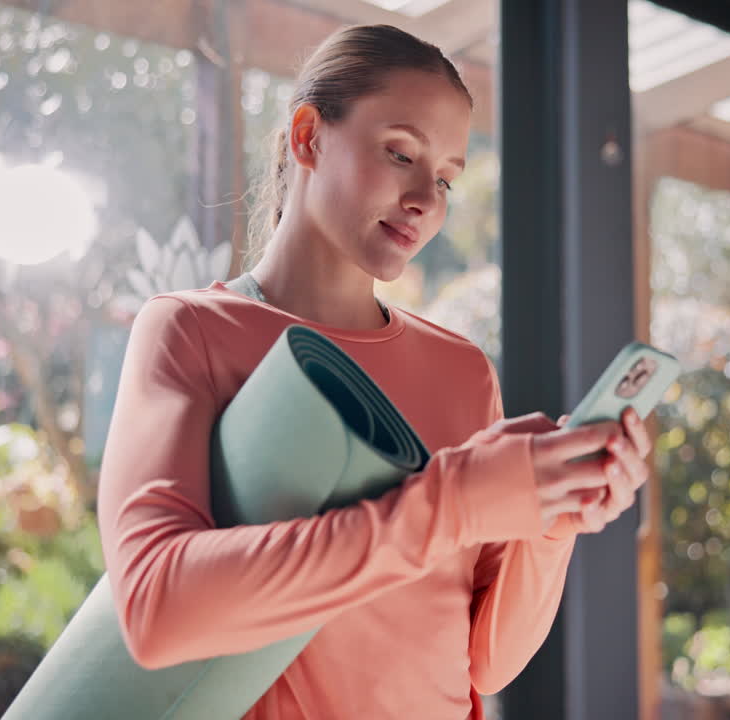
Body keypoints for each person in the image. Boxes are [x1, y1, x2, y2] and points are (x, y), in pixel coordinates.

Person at [96, 23, 653, 719]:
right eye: (401, 154)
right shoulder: (193, 330)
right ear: (308, 138)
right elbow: (156, 610)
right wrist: (453, 502)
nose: (428, 199)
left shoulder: (462, 372)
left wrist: (550, 519)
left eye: (446, 177)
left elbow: (486, 661)